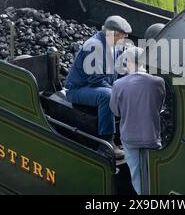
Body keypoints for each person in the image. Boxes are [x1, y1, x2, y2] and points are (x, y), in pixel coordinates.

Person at [65, 15, 132, 158]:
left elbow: (121, 71)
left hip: (101, 85)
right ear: (112, 34)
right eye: (122, 34)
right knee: (107, 96)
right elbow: (96, 81)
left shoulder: (116, 46)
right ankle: (106, 143)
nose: (126, 37)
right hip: (79, 89)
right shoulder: (94, 46)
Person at [109, 46, 166, 195]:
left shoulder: (118, 85)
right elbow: (159, 107)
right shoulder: (158, 82)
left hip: (129, 138)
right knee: (153, 173)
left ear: (128, 62)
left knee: (136, 175)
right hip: (151, 137)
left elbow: (115, 111)